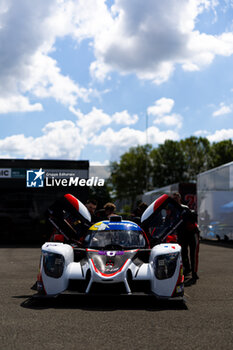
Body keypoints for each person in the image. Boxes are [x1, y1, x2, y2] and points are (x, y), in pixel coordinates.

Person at [172, 192, 200, 282]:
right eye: (174, 198)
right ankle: (187, 269)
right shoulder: (172, 210)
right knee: (183, 253)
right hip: (181, 235)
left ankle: (194, 273)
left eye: (177, 198)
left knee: (193, 254)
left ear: (180, 198)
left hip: (191, 233)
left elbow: (192, 219)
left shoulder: (185, 208)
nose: (175, 199)